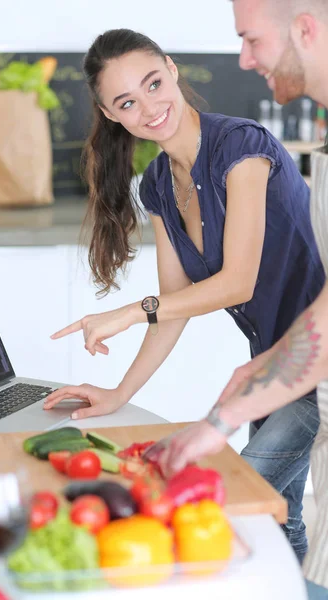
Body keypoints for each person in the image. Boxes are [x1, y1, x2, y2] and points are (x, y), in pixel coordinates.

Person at [43, 28, 325, 562]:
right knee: (272, 517)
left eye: (153, 83)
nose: (149, 107)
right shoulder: (156, 185)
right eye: (127, 101)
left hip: (314, 360)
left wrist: (131, 311)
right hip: (268, 367)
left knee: (231, 499)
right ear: (110, 114)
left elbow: (234, 282)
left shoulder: (242, 147)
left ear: (171, 69)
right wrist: (117, 394)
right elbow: (174, 307)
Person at [157, 1, 328, 597]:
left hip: (308, 382)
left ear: (305, 29)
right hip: (303, 379)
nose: (242, 58)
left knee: (248, 507)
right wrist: (259, 370)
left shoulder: (241, 146)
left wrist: (218, 423)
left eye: (250, 39)